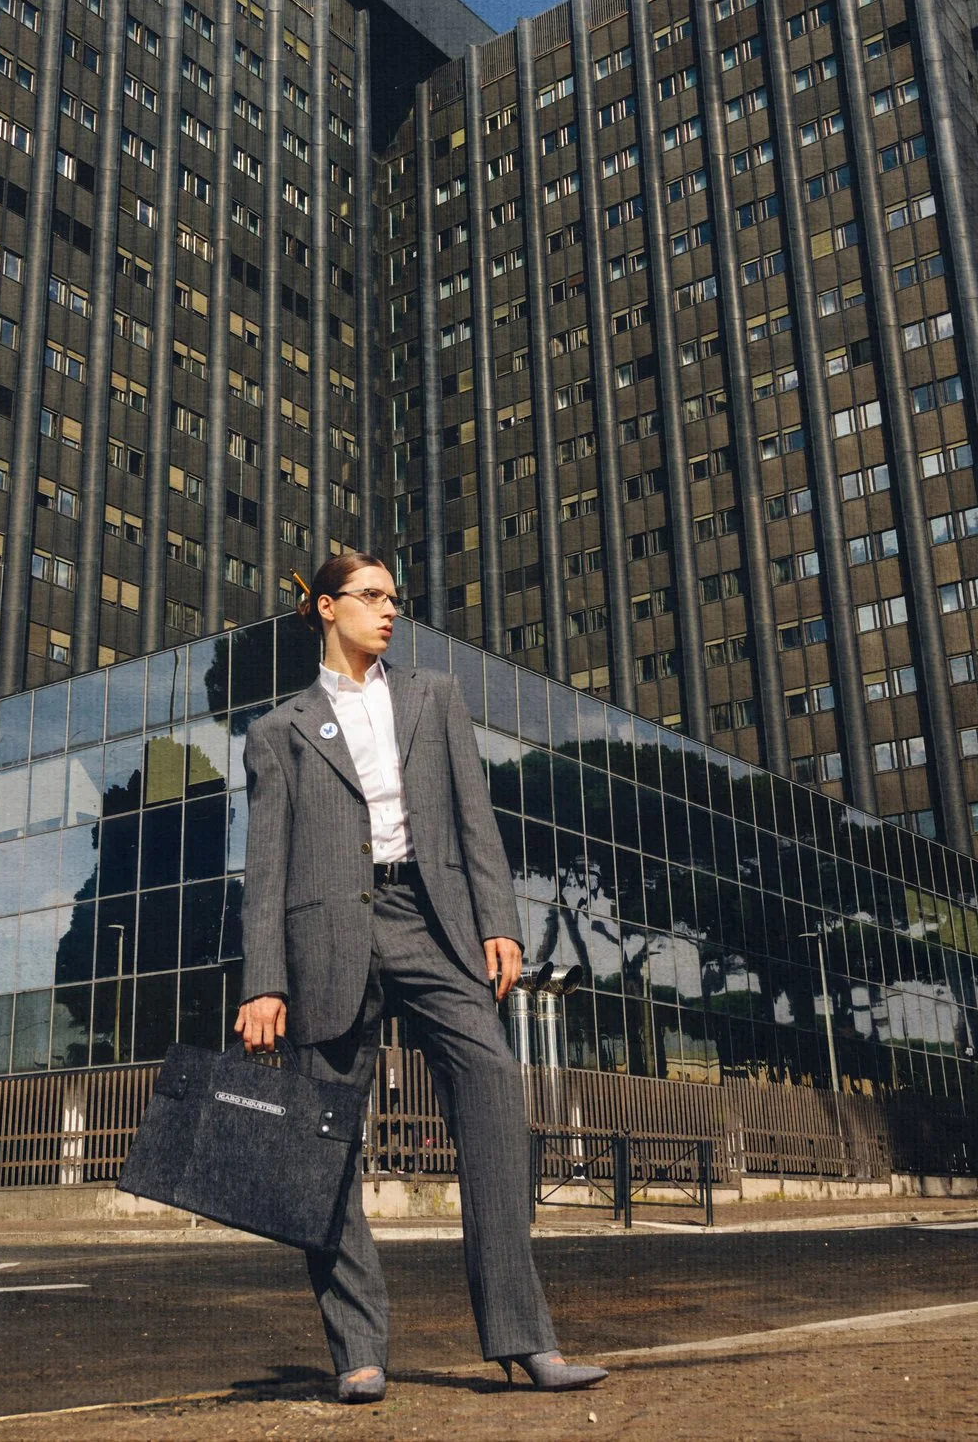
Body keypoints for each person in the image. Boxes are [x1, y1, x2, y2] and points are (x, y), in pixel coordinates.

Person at [236, 550, 608, 1404]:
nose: (389, 611)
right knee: (322, 1143)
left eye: (394, 598)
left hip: (430, 922)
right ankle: (356, 1348)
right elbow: (266, 866)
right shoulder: (279, 729)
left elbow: (474, 814)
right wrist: (265, 981)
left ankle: (525, 1337)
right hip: (325, 937)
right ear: (327, 608)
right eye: (371, 597)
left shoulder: (433, 696)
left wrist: (498, 921)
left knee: (491, 1090)